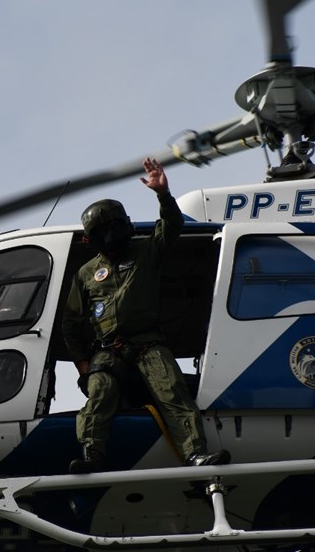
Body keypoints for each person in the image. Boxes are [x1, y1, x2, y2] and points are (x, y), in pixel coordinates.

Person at [61, 155, 229, 472]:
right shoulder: (86, 273)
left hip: (148, 343)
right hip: (108, 349)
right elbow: (71, 321)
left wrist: (163, 194)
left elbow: (173, 225)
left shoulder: (146, 250)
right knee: (100, 391)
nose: (111, 244)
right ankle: (92, 455)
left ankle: (195, 454)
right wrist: (83, 362)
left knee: (172, 391)